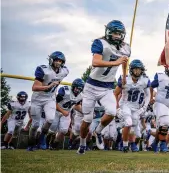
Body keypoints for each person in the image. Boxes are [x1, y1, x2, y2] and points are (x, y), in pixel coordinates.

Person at [77, 20, 130, 154]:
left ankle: (98, 131)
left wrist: (124, 75)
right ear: (108, 32)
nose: (117, 36)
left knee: (112, 112)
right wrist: (116, 62)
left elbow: (124, 60)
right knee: (87, 119)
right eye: (114, 33)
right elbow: (95, 62)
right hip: (91, 85)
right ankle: (82, 144)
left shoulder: (125, 47)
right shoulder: (100, 43)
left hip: (107, 87)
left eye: (119, 34)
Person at [28, 51, 69, 151]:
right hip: (37, 98)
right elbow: (34, 87)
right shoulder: (43, 69)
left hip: (50, 98)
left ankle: (42, 137)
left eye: (60, 61)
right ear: (51, 60)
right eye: (56, 60)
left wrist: (52, 89)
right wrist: (48, 86)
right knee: (35, 125)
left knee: (50, 119)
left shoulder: (65, 71)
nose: (58, 63)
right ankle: (31, 143)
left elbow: (57, 77)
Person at [114, 59, 151, 153]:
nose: (137, 71)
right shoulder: (124, 78)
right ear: (131, 70)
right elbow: (115, 94)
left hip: (137, 107)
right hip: (125, 105)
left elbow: (148, 95)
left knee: (136, 132)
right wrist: (117, 108)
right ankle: (125, 145)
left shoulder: (145, 80)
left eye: (139, 69)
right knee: (129, 123)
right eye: (135, 69)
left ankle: (121, 131)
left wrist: (144, 107)